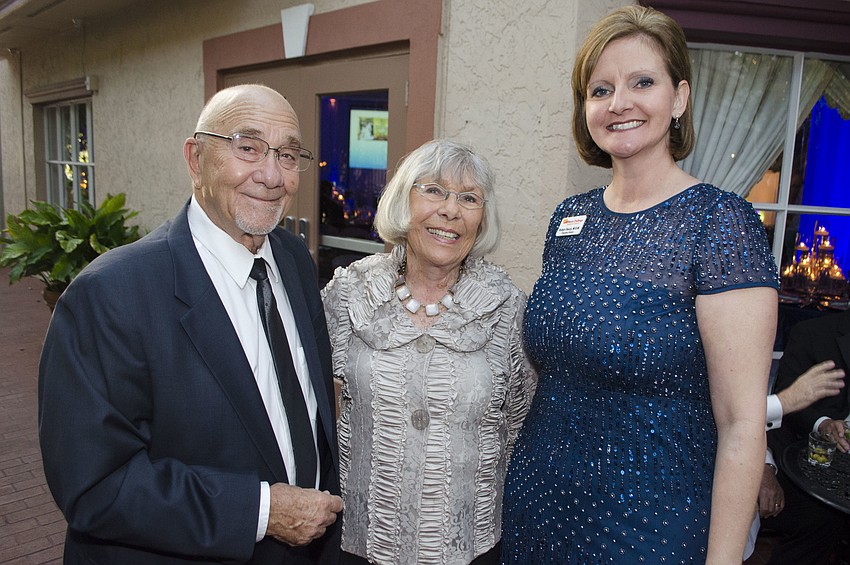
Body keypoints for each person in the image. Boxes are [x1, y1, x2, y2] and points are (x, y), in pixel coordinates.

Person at [500, 6, 779, 563]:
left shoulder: (719, 223)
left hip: (648, 523)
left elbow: (743, 424)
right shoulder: (569, 219)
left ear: (678, 98)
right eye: (600, 89)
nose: (619, 103)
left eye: (642, 82)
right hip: (537, 506)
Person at [38, 84, 343, 564]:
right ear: (196, 158)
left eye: (287, 155)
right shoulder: (109, 294)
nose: (271, 175)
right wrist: (262, 511)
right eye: (248, 147)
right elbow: (95, 487)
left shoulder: (293, 260)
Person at [321, 139, 537, 564]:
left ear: (482, 217)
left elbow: (519, 423)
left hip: (466, 545)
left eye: (469, 198)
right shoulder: (349, 292)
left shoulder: (506, 306)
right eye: (433, 190)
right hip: (362, 541)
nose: (451, 210)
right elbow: (317, 409)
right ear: (404, 200)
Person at [759, 310, 850, 564]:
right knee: (822, 520)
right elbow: (787, 404)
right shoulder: (812, 333)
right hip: (800, 465)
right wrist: (821, 424)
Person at [744, 359, 845, 561]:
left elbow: (751, 426)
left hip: (747, 460)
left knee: (822, 518)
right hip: (702, 479)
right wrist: (787, 401)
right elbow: (733, 417)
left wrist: (766, 467)